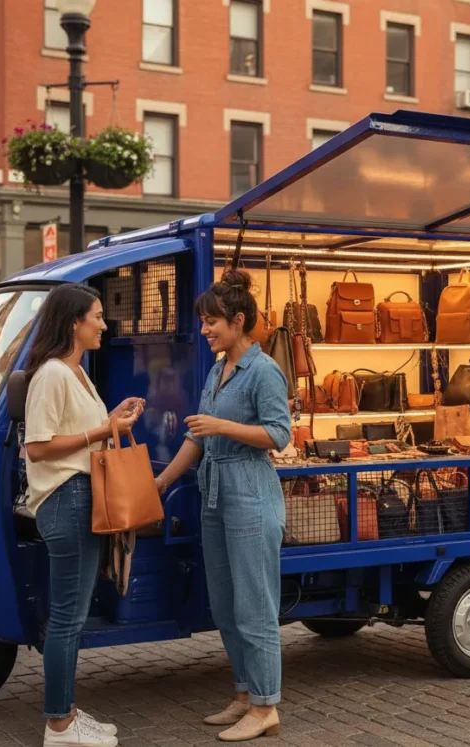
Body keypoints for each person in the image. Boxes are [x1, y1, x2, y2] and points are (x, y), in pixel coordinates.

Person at [155, 269, 291, 743]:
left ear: (238, 321)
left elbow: (279, 435)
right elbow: (197, 434)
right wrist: (162, 482)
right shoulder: (217, 369)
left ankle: (265, 705)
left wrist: (223, 427)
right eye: (203, 321)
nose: (205, 329)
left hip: (250, 491)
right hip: (215, 490)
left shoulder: (265, 370)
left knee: (255, 605)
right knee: (226, 603)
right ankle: (243, 694)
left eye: (212, 321)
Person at [23, 284, 144, 747]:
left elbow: (80, 433)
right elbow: (38, 447)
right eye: (96, 315)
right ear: (74, 322)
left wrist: (112, 419)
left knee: (70, 616)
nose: (103, 323)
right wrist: (103, 428)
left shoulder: (75, 373)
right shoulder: (53, 373)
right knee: (67, 619)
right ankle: (59, 725)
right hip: (66, 498)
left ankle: (67, 713)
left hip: (78, 495)